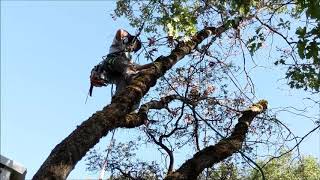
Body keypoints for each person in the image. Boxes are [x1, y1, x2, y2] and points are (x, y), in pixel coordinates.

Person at [89, 29, 142, 97]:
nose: (132, 49)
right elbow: (120, 31)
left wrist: (152, 65)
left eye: (134, 49)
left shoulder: (128, 58)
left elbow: (137, 67)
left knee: (122, 80)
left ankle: (119, 98)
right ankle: (132, 78)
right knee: (125, 65)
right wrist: (129, 36)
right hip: (110, 64)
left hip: (115, 74)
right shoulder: (119, 44)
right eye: (134, 46)